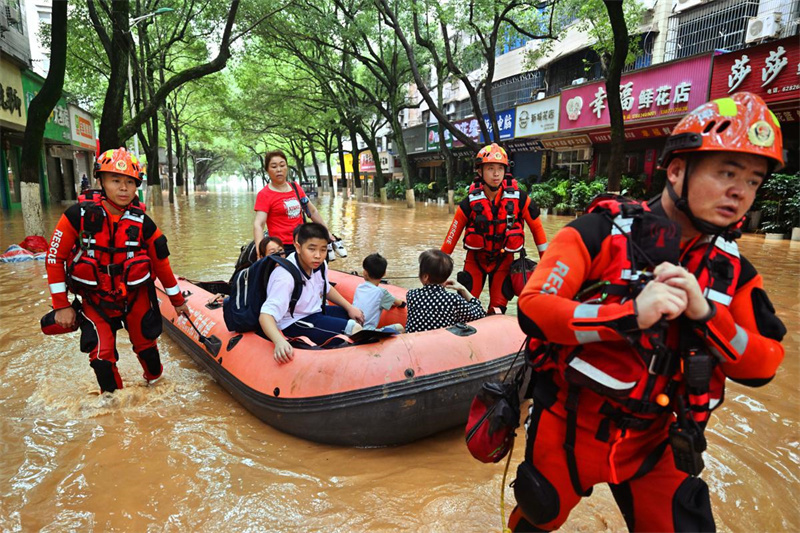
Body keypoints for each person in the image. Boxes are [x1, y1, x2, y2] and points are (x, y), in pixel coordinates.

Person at [508, 92, 787, 532]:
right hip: (567, 427)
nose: (740, 192)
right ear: (677, 170)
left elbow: (764, 365)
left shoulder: (736, 273)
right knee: (535, 517)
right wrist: (628, 315)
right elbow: (534, 309)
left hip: (657, 443)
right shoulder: (598, 231)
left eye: (753, 181)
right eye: (727, 172)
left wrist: (706, 314)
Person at [45, 147, 188, 393]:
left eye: (130, 182)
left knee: (148, 351)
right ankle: (113, 408)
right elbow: (54, 258)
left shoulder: (144, 224)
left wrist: (177, 300)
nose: (124, 188)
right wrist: (61, 304)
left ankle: (155, 387)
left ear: (137, 186)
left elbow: (162, 265)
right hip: (95, 300)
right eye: (116, 180)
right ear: (100, 181)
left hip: (136, 297)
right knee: (101, 357)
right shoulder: (75, 217)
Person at [441, 143, 548, 314]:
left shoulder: (520, 200)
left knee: (497, 310)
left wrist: (547, 265)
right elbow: (450, 240)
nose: (496, 174)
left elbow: (538, 231)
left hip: (503, 263)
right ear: (479, 171)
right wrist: (437, 273)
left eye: (500, 168)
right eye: (490, 168)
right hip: (475, 261)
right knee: (463, 310)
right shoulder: (469, 203)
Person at [259, 223, 365, 363]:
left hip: (315, 313)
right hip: (293, 322)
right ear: (297, 247)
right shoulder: (285, 276)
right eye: (312, 249)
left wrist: (350, 308)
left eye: (323, 250)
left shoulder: (320, 265)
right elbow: (265, 315)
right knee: (353, 328)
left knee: (355, 316)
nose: (318, 256)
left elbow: (325, 288)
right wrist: (279, 341)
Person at [253, 150, 334, 257]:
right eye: (274, 166)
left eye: (282, 165)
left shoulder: (296, 188)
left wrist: (326, 233)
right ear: (267, 170)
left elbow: (312, 212)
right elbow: (259, 224)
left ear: (287, 167)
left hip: (302, 243)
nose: (279, 170)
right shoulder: (264, 194)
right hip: (281, 247)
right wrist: (260, 252)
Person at [405, 249, 485, 333]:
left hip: (415, 342)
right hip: (442, 343)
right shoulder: (453, 299)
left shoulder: (411, 295)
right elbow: (480, 313)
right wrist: (462, 289)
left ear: (425, 276)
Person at [352, 253, 405, 334]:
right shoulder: (382, 292)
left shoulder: (359, 287)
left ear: (364, 273)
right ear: (384, 274)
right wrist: (401, 303)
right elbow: (400, 303)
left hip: (353, 328)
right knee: (400, 327)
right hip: (367, 333)